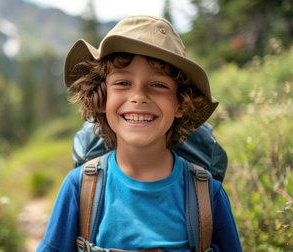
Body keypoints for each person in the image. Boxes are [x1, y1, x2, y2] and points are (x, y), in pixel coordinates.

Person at [37, 15, 242, 252]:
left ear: (181, 104)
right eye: (123, 83)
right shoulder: (79, 187)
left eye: (158, 85)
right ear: (102, 98)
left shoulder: (208, 194)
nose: (139, 96)